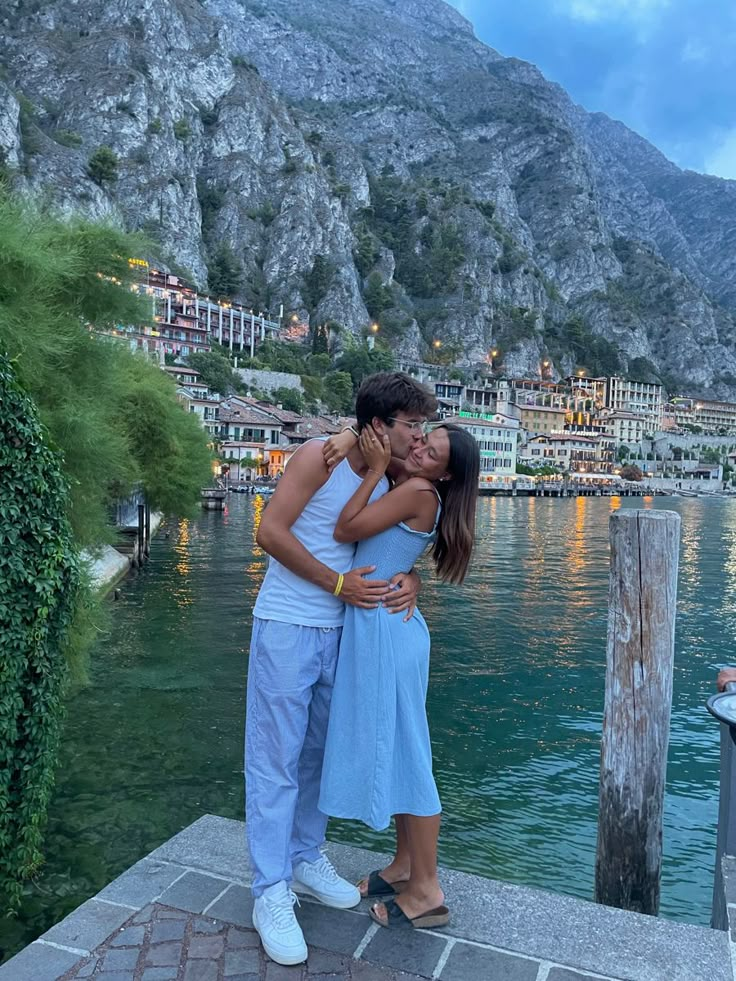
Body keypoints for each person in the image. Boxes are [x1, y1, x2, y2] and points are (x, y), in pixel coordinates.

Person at [246, 372, 436, 966]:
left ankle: (304, 857)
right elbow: (269, 531)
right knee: (275, 758)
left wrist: (413, 580)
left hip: (346, 635)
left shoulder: (394, 478)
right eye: (411, 425)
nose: (419, 437)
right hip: (287, 624)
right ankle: (270, 889)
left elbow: (388, 549)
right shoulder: (317, 456)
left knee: (317, 757)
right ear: (379, 425)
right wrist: (333, 583)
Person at [319, 421, 480, 931]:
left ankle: (428, 891)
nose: (418, 449)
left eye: (431, 453)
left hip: (387, 633)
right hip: (387, 625)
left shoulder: (414, 489)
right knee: (397, 744)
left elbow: (345, 530)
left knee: (409, 752)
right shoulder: (415, 487)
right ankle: (406, 864)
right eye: (421, 439)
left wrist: (373, 473)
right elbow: (390, 552)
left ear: (446, 473)